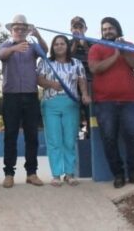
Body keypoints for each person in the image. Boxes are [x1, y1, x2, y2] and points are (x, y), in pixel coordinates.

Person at [88, 17, 134, 188]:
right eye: (104, 29)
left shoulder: (129, 45)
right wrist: (115, 55)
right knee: (109, 139)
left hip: (130, 101)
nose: (107, 31)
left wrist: (124, 51)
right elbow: (95, 68)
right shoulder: (96, 47)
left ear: (118, 30)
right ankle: (118, 175)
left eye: (110, 28)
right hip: (105, 102)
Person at [0, 14, 47, 188]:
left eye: (22, 28)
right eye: (16, 28)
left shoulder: (32, 47)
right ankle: (9, 174)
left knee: (32, 136)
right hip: (11, 96)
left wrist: (38, 36)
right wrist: (14, 48)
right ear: (11, 31)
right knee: (10, 136)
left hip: (30, 95)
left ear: (27, 30)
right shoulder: (6, 45)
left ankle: (31, 173)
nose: (19, 31)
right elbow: (2, 55)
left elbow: (45, 52)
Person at [37, 35, 90, 187]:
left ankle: (69, 173)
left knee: (69, 139)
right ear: (52, 47)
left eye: (62, 44)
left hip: (70, 104)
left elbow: (82, 80)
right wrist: (51, 84)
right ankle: (56, 175)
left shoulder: (76, 63)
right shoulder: (45, 62)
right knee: (54, 140)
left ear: (67, 46)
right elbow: (39, 80)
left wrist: (85, 94)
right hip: (50, 103)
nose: (59, 46)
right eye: (56, 44)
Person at [70, 16, 93, 139]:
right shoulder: (66, 42)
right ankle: (75, 138)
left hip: (90, 83)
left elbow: (94, 60)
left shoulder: (92, 43)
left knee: (90, 113)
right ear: (71, 29)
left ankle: (91, 136)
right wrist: (75, 42)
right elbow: (66, 60)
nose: (78, 29)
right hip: (72, 84)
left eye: (80, 26)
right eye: (75, 27)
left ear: (86, 28)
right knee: (73, 113)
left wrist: (85, 45)